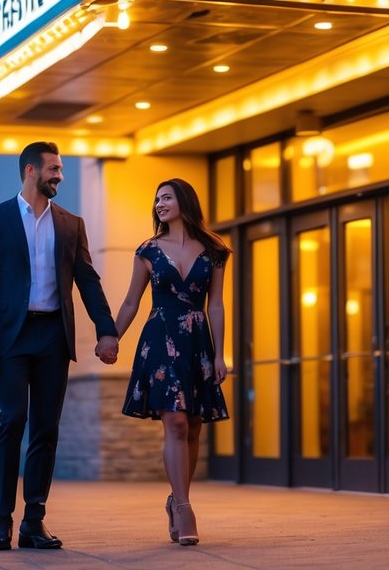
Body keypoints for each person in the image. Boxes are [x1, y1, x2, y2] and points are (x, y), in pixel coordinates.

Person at [0, 141, 120, 552]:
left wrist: (107, 330)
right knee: (12, 419)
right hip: (10, 338)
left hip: (53, 336)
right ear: (31, 171)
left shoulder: (71, 223)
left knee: (46, 428)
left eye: (61, 169)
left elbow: (88, 280)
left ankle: (34, 519)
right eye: (54, 168)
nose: (59, 176)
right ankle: (3, 520)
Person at [114, 177, 230, 547]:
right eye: (156, 200)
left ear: (184, 201)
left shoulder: (214, 251)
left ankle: (176, 498)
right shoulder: (147, 250)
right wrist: (110, 337)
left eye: (166, 197)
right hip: (159, 341)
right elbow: (132, 302)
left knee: (193, 424)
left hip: (197, 341)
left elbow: (216, 304)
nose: (160, 204)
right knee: (176, 421)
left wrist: (220, 353)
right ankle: (184, 507)